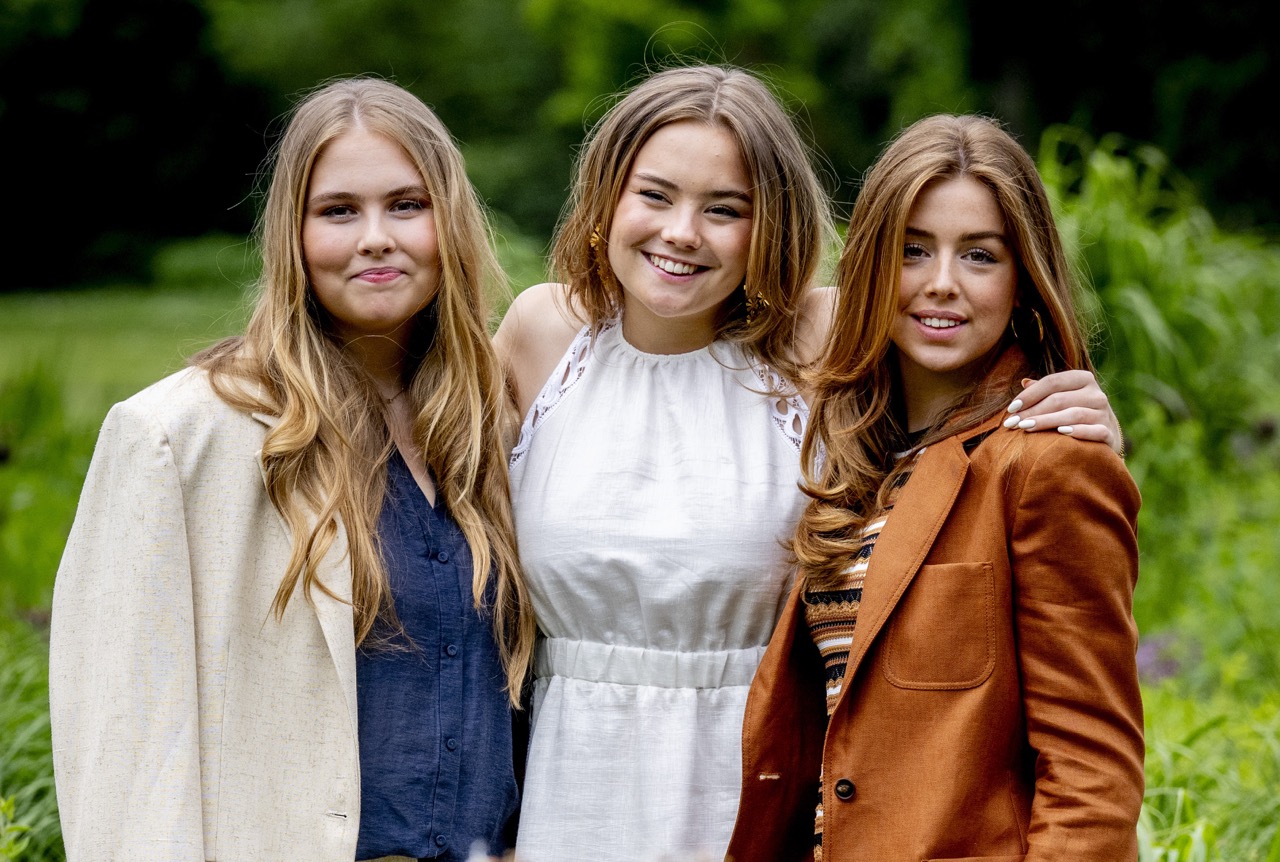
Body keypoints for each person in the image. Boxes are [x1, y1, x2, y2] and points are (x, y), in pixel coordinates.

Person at [495, 65, 1124, 862]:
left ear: (771, 227)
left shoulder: (821, 343)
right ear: (605, 200)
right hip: (567, 787)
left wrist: (1085, 424)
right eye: (654, 195)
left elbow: (967, 391)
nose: (682, 231)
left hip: (761, 793)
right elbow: (418, 478)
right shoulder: (540, 336)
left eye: (724, 209)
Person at [48, 78, 534, 862]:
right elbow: (123, 750)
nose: (376, 236)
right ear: (292, 234)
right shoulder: (179, 439)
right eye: (339, 210)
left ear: (451, 222)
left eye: (407, 205)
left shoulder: (490, 428)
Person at [726, 114, 1144, 862]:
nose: (941, 283)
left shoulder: (1048, 465)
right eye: (912, 250)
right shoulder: (855, 462)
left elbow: (1092, 773)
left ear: (1022, 279)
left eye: (979, 255)